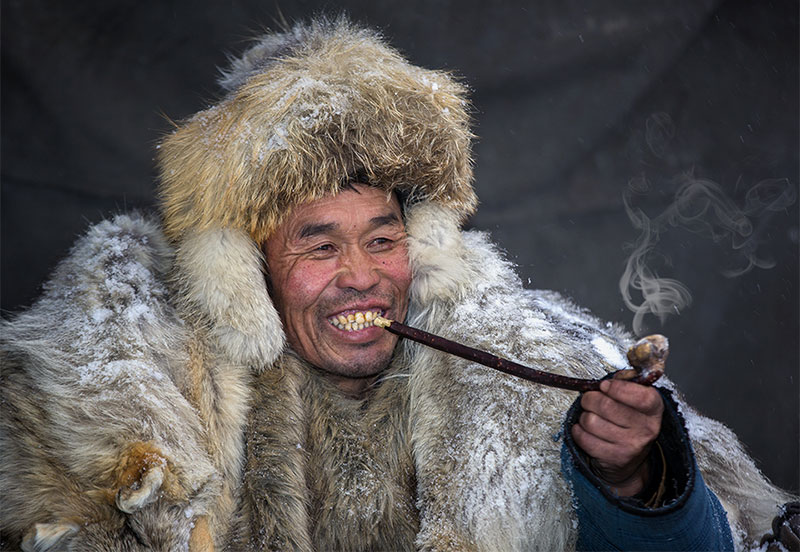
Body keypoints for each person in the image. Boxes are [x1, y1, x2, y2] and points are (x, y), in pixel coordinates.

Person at [1, 17, 795, 552]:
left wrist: (633, 479)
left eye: (383, 239)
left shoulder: (526, 362)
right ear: (243, 268)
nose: (361, 277)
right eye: (319, 244)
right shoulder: (136, 390)